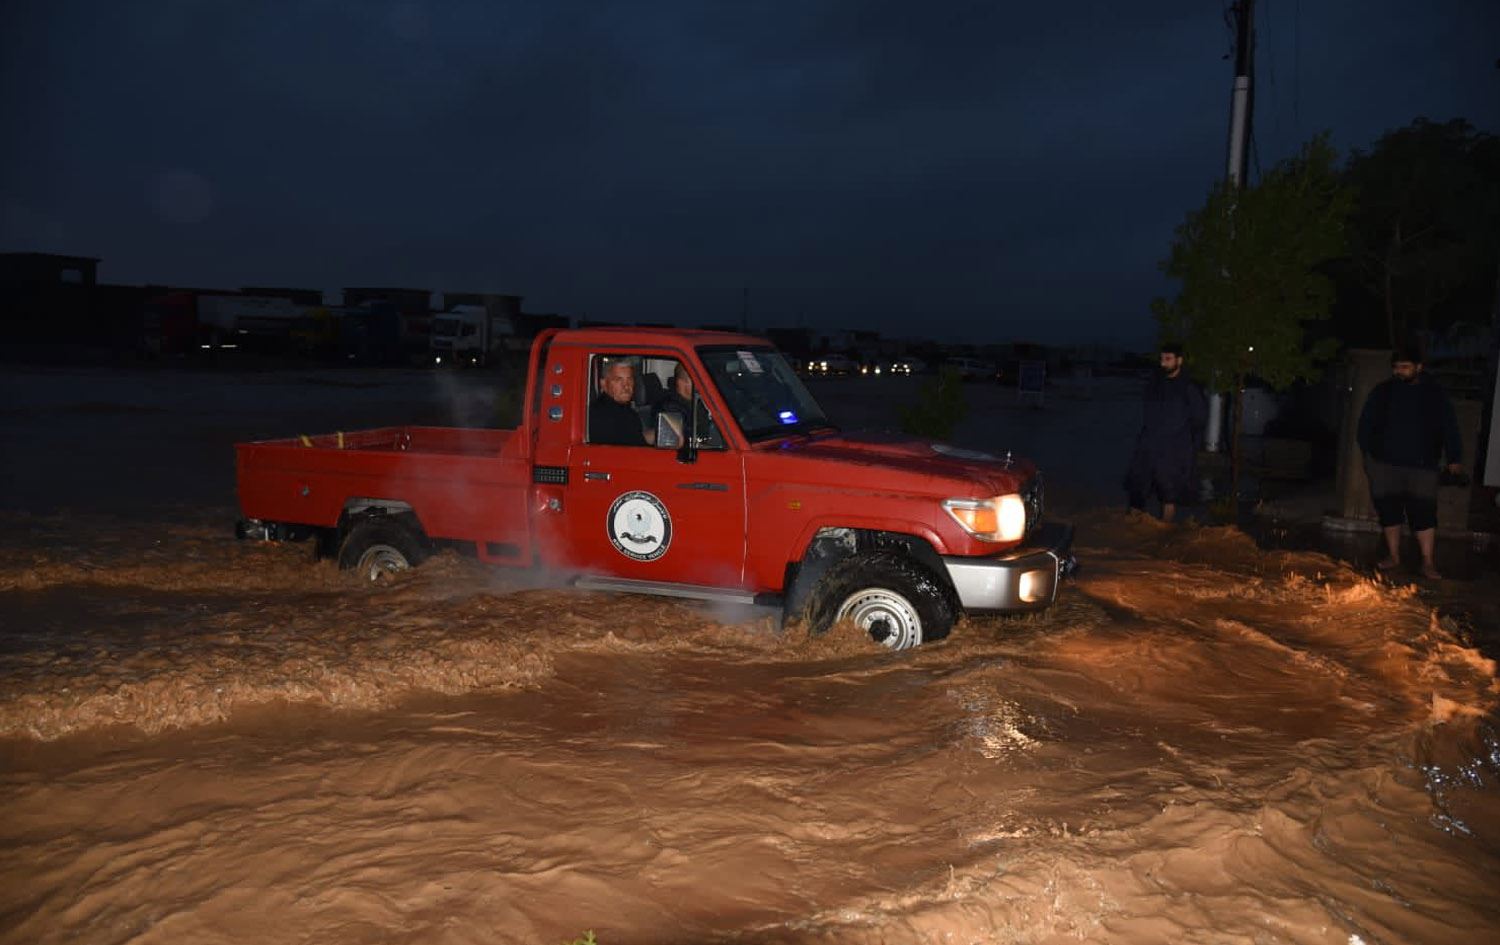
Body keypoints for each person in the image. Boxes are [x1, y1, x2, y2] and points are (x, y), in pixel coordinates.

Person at [1356, 344, 1464, 579]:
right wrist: (1368, 455)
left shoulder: (1434, 394)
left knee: (1424, 512)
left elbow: (1449, 425)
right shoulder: (1383, 391)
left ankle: (1427, 561)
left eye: (1404, 367)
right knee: (1389, 510)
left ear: (1419, 367)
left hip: (1422, 465)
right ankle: (1394, 556)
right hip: (1384, 464)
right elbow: (1365, 424)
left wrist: (1454, 457)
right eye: (1396, 367)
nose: (1399, 372)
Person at [1124, 341, 1208, 522]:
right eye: (1162, 359)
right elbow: (1147, 412)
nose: (1163, 363)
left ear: (1179, 360)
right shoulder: (1154, 383)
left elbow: (1199, 419)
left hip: (1173, 450)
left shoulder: (1189, 387)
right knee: (1137, 488)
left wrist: (1187, 447)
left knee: (1169, 493)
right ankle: (1130, 534)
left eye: (1168, 359)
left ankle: (1162, 537)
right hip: (1148, 446)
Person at [589, 358, 647, 446]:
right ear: (604, 384)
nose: (626, 386)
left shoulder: (629, 413)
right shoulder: (599, 415)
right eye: (618, 380)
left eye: (629, 379)